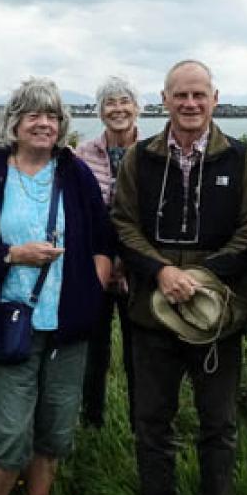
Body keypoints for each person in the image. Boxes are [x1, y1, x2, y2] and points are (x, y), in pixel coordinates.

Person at [111, 60, 247, 495]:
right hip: (150, 313)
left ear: (214, 98)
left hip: (217, 314)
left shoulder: (243, 159)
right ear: (164, 99)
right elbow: (122, 222)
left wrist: (203, 277)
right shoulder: (140, 158)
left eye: (199, 95)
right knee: (151, 419)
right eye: (180, 95)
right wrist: (161, 271)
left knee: (217, 423)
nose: (190, 104)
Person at [0, 78, 113, 495]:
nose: (44, 124)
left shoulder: (74, 173)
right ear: (14, 123)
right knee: (8, 429)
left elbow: (102, 239)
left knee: (55, 426)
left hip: (66, 326)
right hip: (8, 320)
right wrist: (11, 255)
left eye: (53, 116)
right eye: (34, 115)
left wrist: (91, 292)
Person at [74, 75, 141, 428]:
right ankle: (91, 421)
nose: (118, 109)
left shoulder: (152, 151)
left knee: (138, 352)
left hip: (137, 267)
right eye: (110, 103)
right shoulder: (83, 154)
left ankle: (139, 421)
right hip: (94, 266)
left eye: (124, 101)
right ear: (100, 111)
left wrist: (128, 260)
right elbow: (81, 213)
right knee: (93, 349)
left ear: (137, 108)